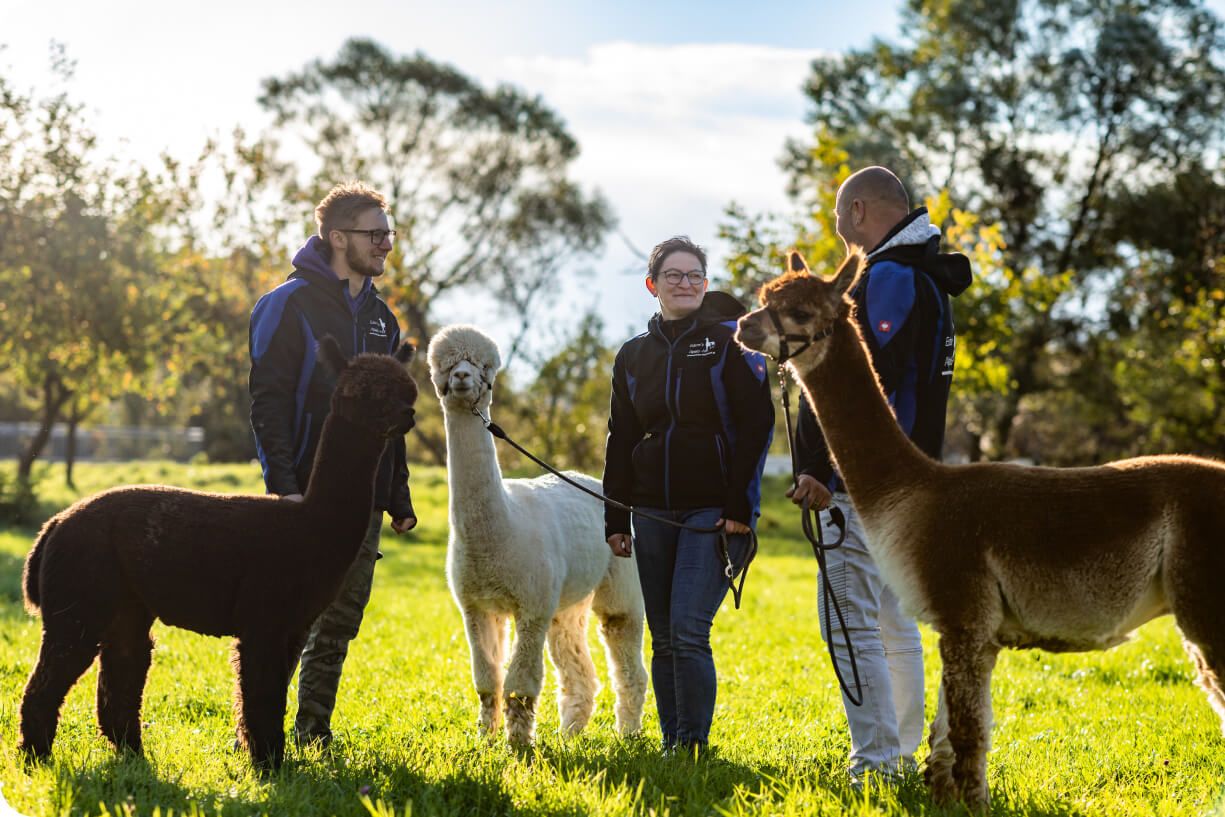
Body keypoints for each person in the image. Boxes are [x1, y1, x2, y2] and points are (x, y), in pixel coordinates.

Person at [788, 166, 972, 780]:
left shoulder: (890, 277)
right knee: (894, 622)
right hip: (915, 484)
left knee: (851, 620)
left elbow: (856, 385)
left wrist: (819, 467)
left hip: (869, 487)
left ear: (861, 210)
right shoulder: (925, 274)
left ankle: (876, 762)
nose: (840, 230)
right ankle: (901, 750)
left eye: (842, 218)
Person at [248, 181, 417, 748]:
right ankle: (261, 729)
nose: (387, 246)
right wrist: (283, 485)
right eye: (376, 235)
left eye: (389, 235)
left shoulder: (383, 319)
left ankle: (313, 730)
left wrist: (398, 497)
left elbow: (392, 414)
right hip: (303, 496)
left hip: (362, 503)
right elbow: (267, 400)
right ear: (339, 237)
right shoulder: (286, 304)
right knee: (287, 617)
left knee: (341, 620)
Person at [603, 235, 774, 756]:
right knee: (661, 633)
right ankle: (673, 743)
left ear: (705, 281)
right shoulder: (633, 355)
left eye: (695, 275)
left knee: (686, 628)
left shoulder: (729, 343)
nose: (685, 284)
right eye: (673, 276)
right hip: (652, 510)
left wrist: (740, 508)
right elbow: (621, 436)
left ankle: (694, 744)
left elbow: (756, 424)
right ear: (653, 285)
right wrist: (616, 516)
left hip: (713, 512)